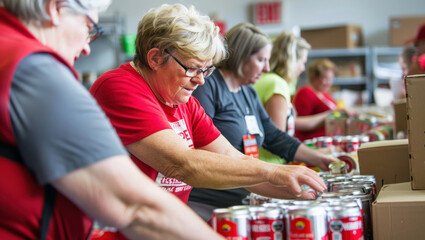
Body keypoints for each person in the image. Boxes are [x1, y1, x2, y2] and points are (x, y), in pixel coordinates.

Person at [0, 0, 225, 239]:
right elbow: (132, 206)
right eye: (89, 27)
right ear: (55, 9)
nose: (87, 47)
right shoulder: (36, 72)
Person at [90, 4, 328, 222]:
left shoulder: (182, 100)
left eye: (206, 70)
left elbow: (230, 157)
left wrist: (303, 193)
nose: (201, 80)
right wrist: (274, 171)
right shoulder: (119, 88)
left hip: (163, 225)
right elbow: (182, 164)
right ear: (155, 58)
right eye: (192, 68)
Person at [187, 23, 338, 221]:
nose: (267, 67)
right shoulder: (208, 87)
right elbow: (205, 149)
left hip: (244, 195)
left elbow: (274, 136)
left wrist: (318, 159)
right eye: (261, 60)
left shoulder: (248, 92)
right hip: (212, 203)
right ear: (241, 55)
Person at [253, 31, 334, 163]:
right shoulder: (277, 85)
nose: (302, 69)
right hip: (273, 165)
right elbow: (279, 142)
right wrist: (319, 155)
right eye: (302, 62)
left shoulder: (268, 80)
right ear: (291, 61)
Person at [293, 58, 338, 141]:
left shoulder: (325, 94)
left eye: (330, 79)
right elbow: (299, 124)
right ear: (314, 77)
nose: (329, 83)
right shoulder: (306, 92)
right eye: (325, 79)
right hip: (313, 143)